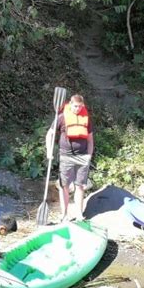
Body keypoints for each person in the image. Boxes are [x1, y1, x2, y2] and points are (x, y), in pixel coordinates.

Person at [46, 94, 94, 222]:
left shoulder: (86, 119)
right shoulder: (62, 117)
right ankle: (64, 214)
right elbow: (50, 134)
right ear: (70, 104)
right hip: (66, 155)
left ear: (82, 106)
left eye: (79, 106)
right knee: (64, 185)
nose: (77, 109)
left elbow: (90, 140)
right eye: (75, 106)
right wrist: (49, 151)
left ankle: (79, 214)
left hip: (82, 156)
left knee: (80, 186)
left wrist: (89, 155)